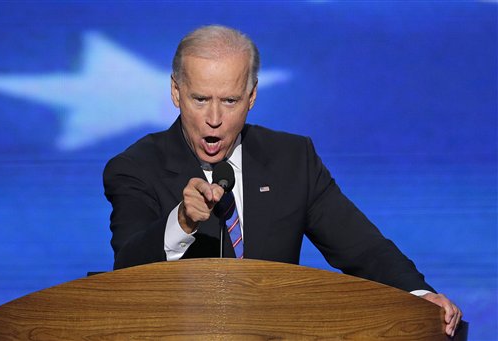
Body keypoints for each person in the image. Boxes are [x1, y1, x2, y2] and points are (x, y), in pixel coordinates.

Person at [103, 25, 462, 336]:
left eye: (229, 101)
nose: (214, 118)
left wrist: (418, 295)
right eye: (200, 99)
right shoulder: (136, 167)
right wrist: (181, 222)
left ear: (252, 96)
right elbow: (126, 269)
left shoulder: (293, 160)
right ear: (176, 93)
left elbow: (361, 247)